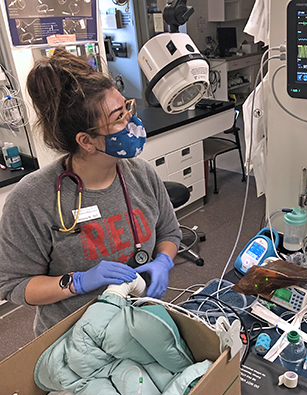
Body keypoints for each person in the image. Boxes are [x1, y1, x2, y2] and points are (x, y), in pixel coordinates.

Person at [0, 49, 182, 336]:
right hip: (76, 338)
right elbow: (15, 285)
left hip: (139, 323)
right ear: (86, 141)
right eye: (118, 118)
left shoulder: (141, 174)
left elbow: (169, 233)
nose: (132, 123)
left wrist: (163, 260)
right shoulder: (32, 200)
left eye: (127, 109)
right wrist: (78, 282)